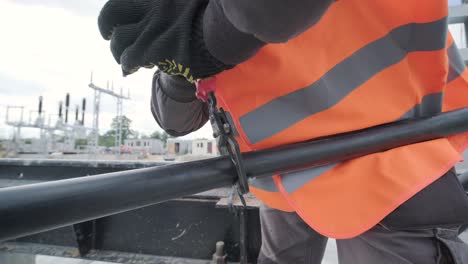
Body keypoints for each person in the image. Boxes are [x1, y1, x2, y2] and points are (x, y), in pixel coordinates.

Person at [98, 0, 468, 263]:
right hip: (287, 173)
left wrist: (213, 32)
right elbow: (177, 122)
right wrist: (179, 61)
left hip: (388, 155)